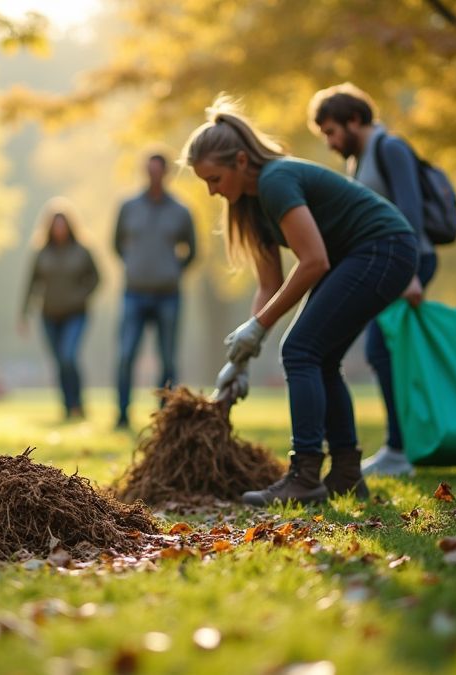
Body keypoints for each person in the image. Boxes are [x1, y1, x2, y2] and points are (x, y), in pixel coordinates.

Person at [186, 96, 418, 506]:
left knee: (299, 350)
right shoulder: (249, 206)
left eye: (215, 179)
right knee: (319, 356)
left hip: (384, 247)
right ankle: (346, 475)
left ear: (241, 161)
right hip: (361, 255)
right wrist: (241, 359)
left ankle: (305, 475)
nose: (211, 191)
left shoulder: (276, 180)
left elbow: (314, 262)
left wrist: (259, 328)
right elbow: (270, 285)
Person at [309, 83, 438, 477]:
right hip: (393, 264)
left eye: (332, 132)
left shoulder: (390, 148)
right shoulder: (359, 160)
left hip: (411, 261)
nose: (330, 143)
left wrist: (410, 274)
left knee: (380, 348)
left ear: (354, 119)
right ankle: (400, 447)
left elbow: (409, 209)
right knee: (382, 351)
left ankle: (399, 450)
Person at [113, 154, 196, 429]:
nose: (153, 177)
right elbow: (116, 244)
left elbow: (192, 251)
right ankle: (122, 414)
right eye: (149, 171)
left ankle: (166, 416)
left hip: (168, 294)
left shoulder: (181, 211)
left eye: (157, 172)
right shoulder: (128, 207)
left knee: (168, 358)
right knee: (126, 355)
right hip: (134, 293)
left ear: (166, 173)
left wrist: (172, 271)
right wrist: (134, 266)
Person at [19, 201, 100, 419]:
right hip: (49, 315)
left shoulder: (82, 251)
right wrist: (24, 314)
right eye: (56, 225)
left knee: (69, 357)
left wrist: (80, 296)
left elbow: (96, 278)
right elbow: (31, 284)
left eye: (63, 225)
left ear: (70, 226)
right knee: (59, 362)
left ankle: (78, 403)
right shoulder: (41, 253)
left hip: (76, 314)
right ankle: (68, 406)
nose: (59, 229)